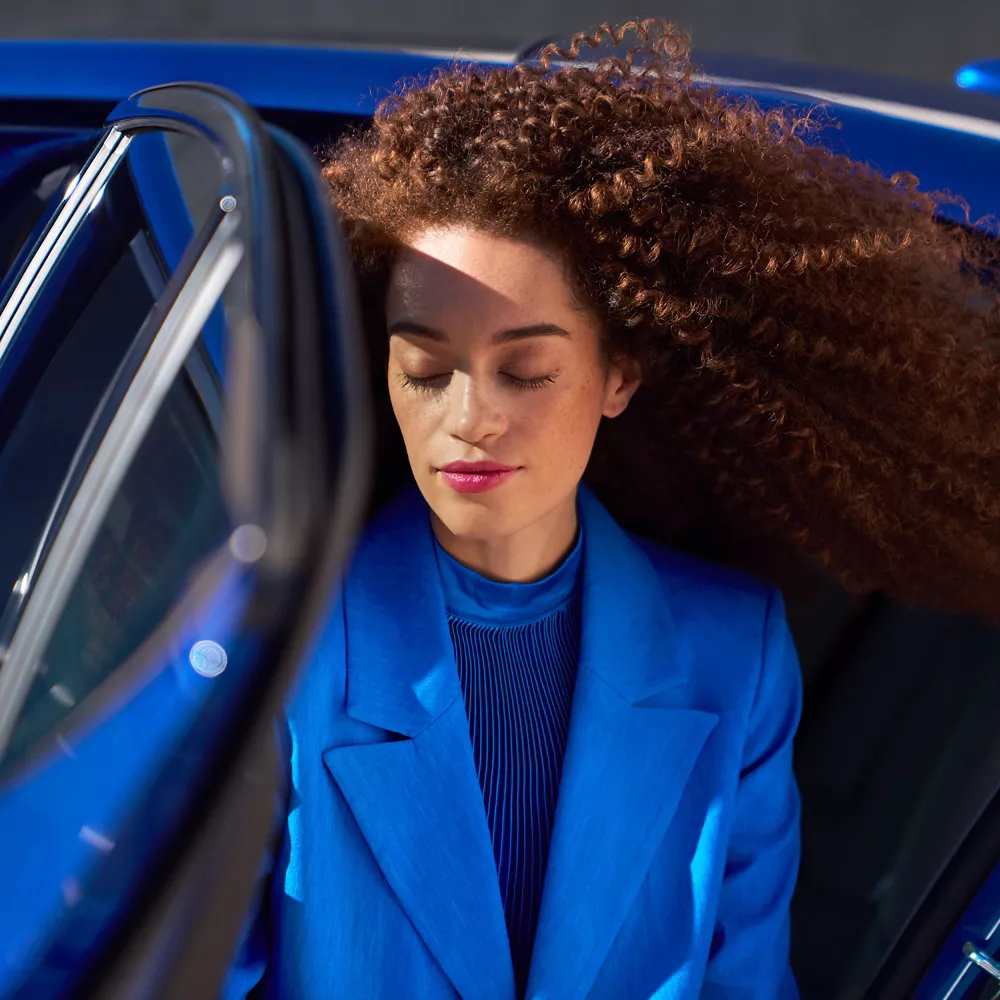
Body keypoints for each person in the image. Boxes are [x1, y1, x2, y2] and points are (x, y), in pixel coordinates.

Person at [224, 19, 1000, 999]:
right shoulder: (279, 639)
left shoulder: (732, 649)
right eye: (426, 367)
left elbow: (742, 984)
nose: (469, 419)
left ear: (618, 372)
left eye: (527, 370)